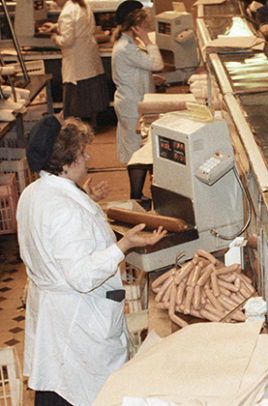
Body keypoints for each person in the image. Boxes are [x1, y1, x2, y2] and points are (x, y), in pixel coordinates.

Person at [17, 116, 167, 406]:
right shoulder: (64, 210)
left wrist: (86, 197)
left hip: (55, 315)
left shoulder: (35, 193)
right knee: (77, 392)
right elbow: (81, 276)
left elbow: (56, 235)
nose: (88, 157)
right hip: (77, 322)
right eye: (83, 152)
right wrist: (123, 245)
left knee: (56, 388)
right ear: (67, 161)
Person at [112, 0, 164, 200]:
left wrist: (149, 78)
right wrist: (149, 41)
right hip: (131, 105)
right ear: (135, 25)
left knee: (137, 148)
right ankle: (136, 197)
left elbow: (137, 69)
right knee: (136, 152)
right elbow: (157, 63)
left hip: (132, 101)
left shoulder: (128, 44)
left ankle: (138, 195)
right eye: (143, 23)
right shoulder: (126, 47)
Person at [39, 0, 109, 128]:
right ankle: (93, 125)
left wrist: (54, 37)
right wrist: (56, 26)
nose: (54, 1)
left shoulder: (67, 11)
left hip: (77, 60)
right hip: (89, 54)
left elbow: (67, 40)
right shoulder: (83, 4)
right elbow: (77, 26)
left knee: (77, 100)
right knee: (92, 95)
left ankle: (76, 130)